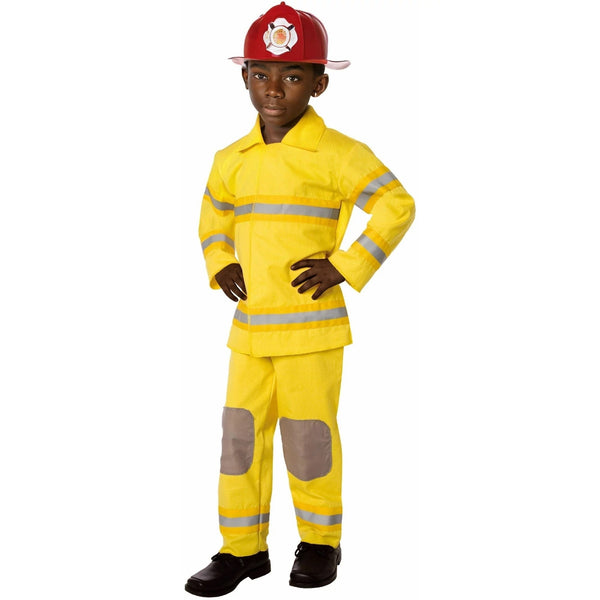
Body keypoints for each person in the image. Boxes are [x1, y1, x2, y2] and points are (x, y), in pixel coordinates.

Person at [185, 2, 415, 596]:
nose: (273, 89)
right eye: (261, 74)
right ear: (244, 77)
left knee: (309, 438)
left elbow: (397, 205)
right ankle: (241, 550)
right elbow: (212, 217)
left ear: (319, 84)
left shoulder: (339, 153)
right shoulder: (230, 160)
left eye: (291, 76)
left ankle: (319, 542)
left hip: (311, 329)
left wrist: (347, 265)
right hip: (249, 331)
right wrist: (220, 261)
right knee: (239, 439)